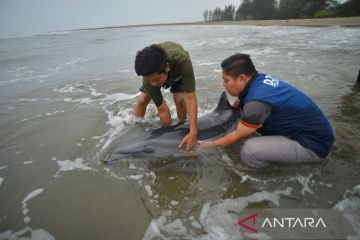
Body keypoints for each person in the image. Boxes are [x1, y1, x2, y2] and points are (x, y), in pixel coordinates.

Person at [201, 53, 335, 168]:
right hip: (318, 134)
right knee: (248, 127)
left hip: (313, 145)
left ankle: (266, 180)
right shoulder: (259, 80)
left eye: (226, 80)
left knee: (250, 150)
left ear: (241, 78)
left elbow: (238, 135)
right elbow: (244, 101)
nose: (224, 85)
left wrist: (208, 146)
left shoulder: (256, 103)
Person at [133, 41, 198, 151]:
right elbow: (163, 110)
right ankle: (136, 129)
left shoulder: (182, 61)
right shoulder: (149, 80)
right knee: (143, 99)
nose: (154, 84)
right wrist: (165, 135)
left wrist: (193, 132)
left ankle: (182, 127)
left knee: (180, 100)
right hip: (156, 69)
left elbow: (191, 98)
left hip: (177, 71)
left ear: (167, 67)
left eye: (156, 80)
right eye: (149, 80)